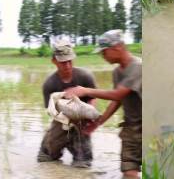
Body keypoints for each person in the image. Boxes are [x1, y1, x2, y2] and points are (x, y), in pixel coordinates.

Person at [64, 30, 142, 178]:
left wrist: (85, 90)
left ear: (117, 47)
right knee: (129, 171)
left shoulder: (138, 67)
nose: (103, 56)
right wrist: (98, 122)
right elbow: (117, 100)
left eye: (104, 52)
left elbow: (118, 94)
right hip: (131, 128)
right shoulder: (117, 73)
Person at [37, 37, 98, 168]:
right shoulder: (49, 84)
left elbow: (93, 96)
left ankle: (80, 157)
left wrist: (90, 113)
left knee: (82, 162)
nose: (68, 66)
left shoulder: (85, 76)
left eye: (70, 61)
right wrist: (67, 119)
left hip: (83, 120)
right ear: (54, 61)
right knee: (45, 156)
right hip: (61, 120)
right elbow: (51, 111)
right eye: (63, 62)